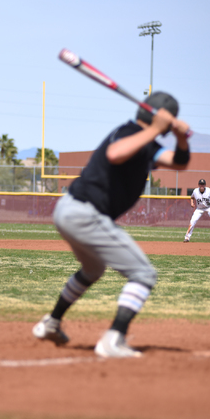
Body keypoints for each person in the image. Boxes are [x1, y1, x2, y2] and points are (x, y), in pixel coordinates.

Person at [32, 92, 191, 358]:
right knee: (144, 274)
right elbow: (115, 154)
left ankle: (51, 322)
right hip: (85, 213)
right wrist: (156, 129)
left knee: (93, 270)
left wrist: (182, 138)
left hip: (71, 210)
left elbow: (178, 163)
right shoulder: (128, 132)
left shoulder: (147, 143)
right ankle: (113, 339)